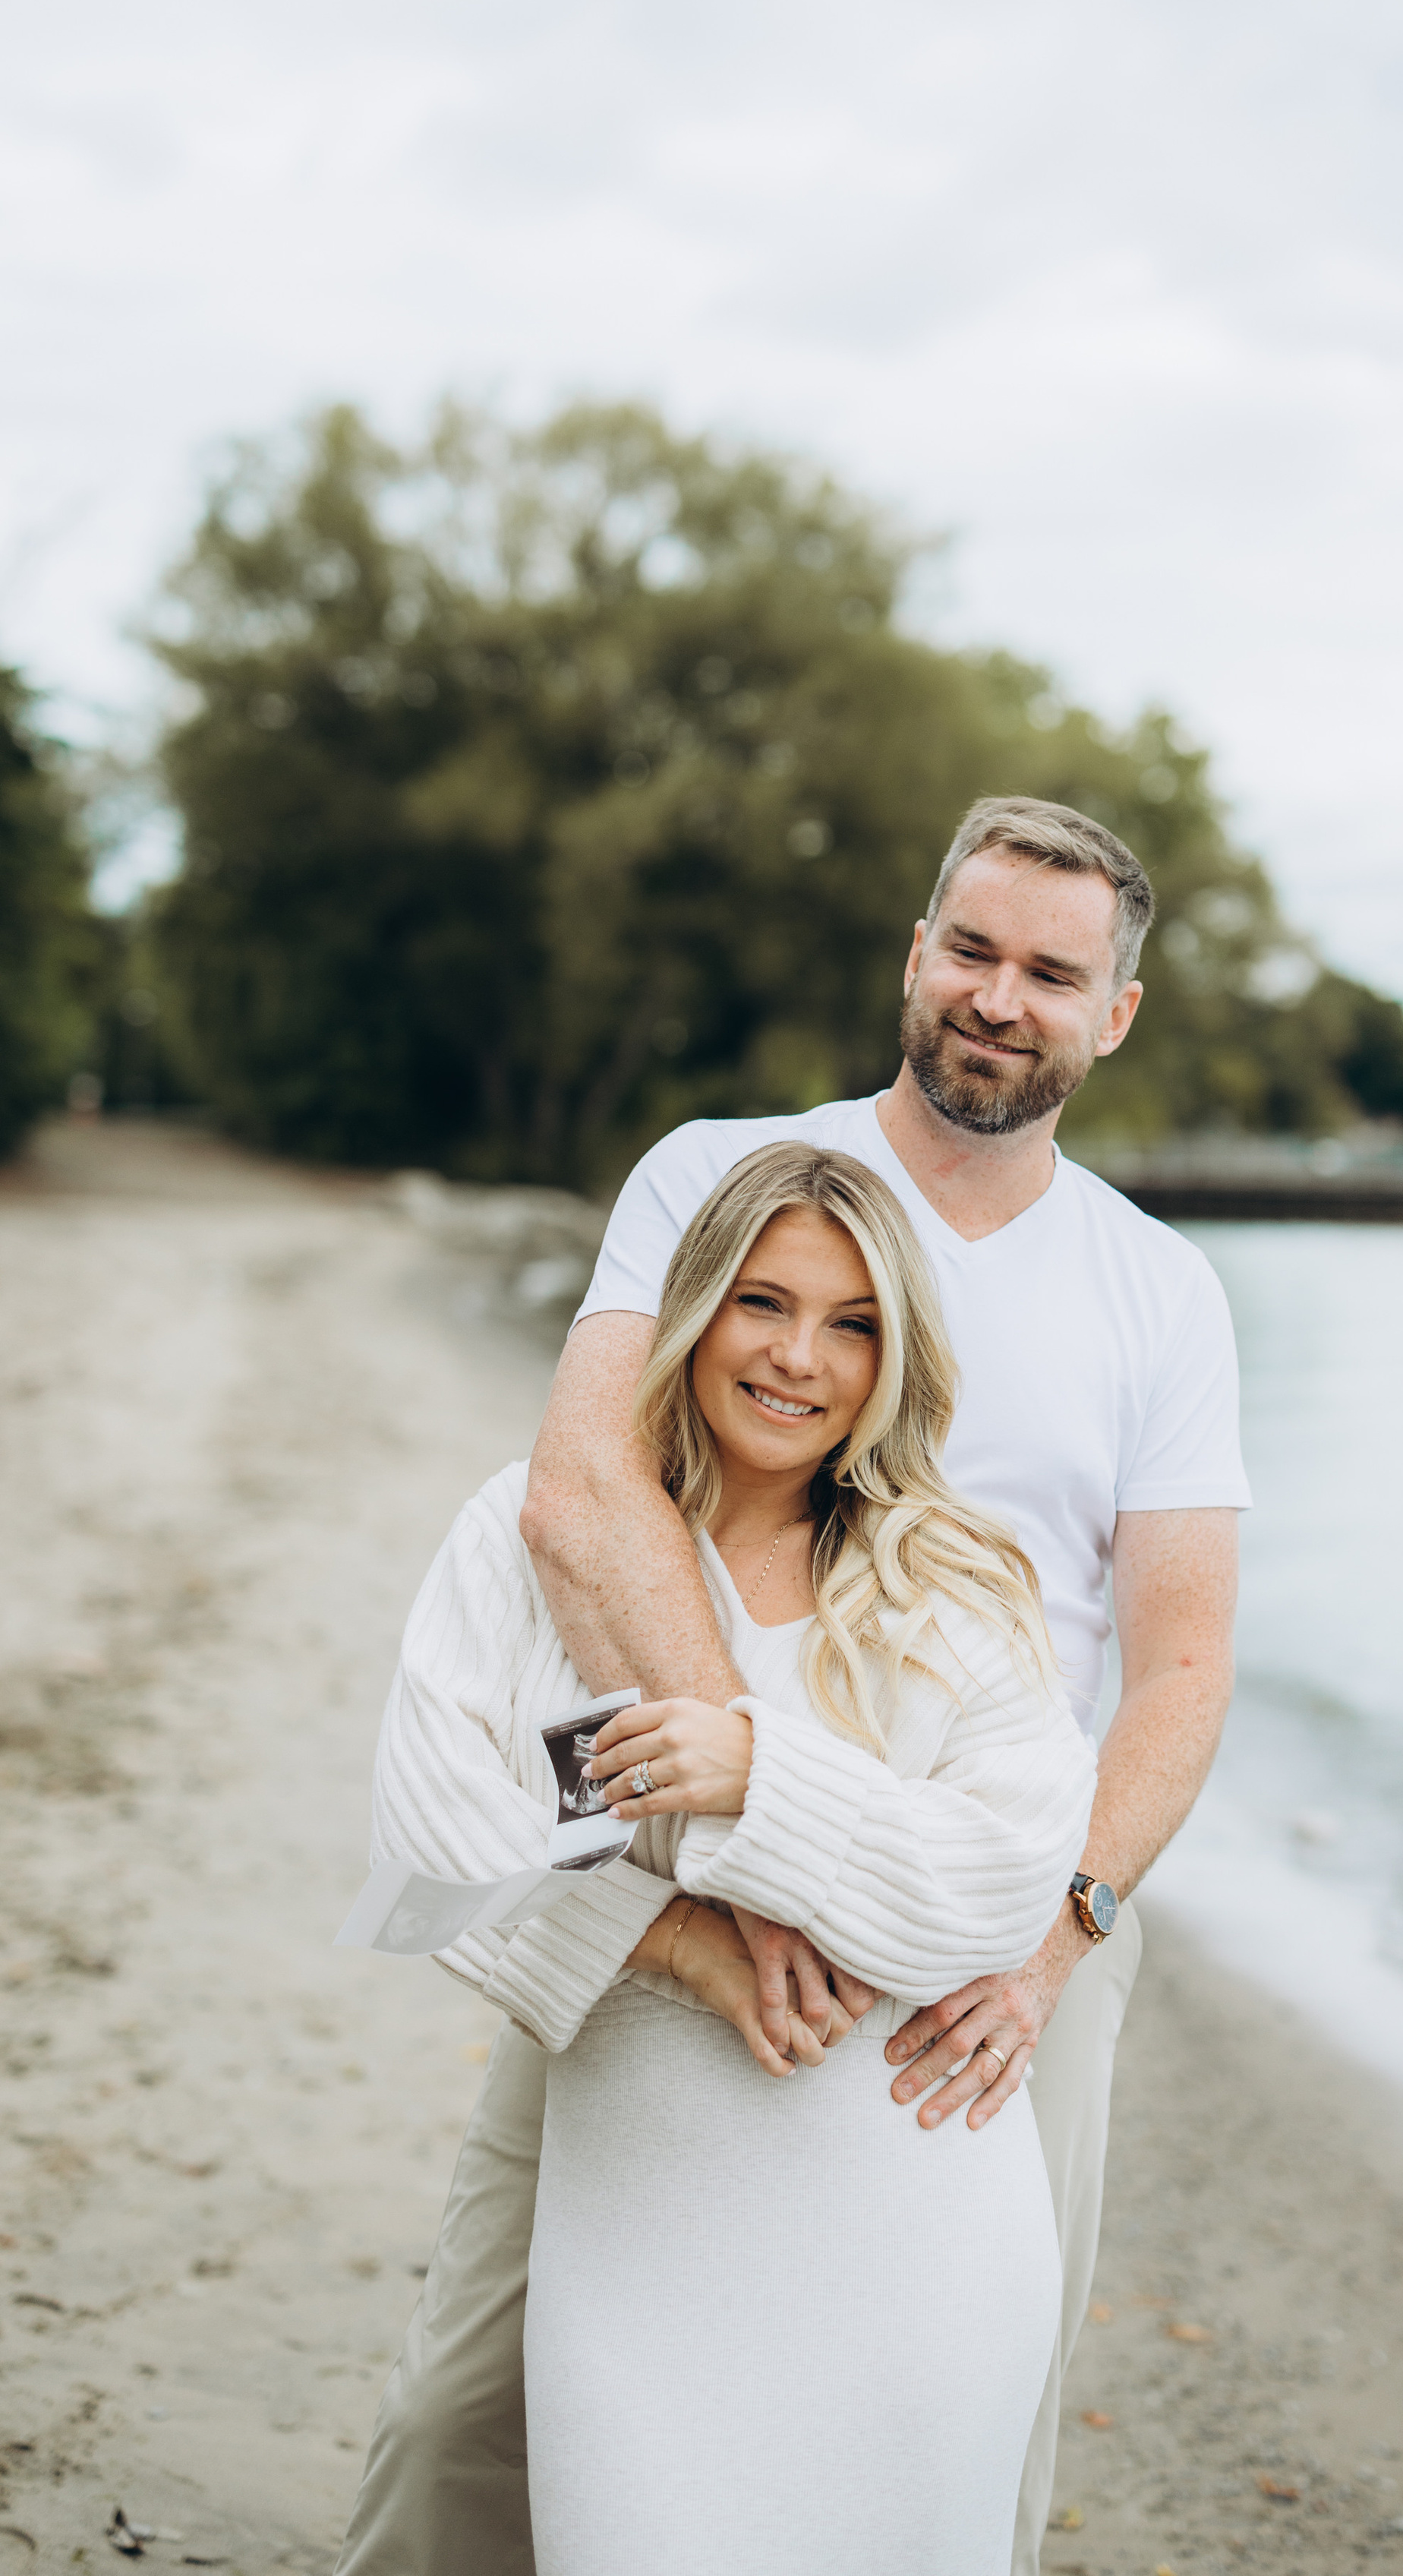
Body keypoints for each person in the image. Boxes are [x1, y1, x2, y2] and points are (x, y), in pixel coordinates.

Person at [336, 794, 1249, 2576]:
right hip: (657, 1858)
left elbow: (1183, 1659)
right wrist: (734, 1860)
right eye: (971, 949)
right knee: (482, 2399)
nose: (1000, 997)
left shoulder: (1160, 1290)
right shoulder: (716, 1174)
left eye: (1051, 974)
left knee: (960, 2400)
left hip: (1001, 1907)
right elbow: (584, 1494)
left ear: (1113, 1015)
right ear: (915, 953)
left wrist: (1059, 1929)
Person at [366, 1143, 1097, 2576]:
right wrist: (677, 1937)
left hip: (914, 2222)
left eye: (853, 1323)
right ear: (692, 1308)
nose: (798, 1358)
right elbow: (438, 1824)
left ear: (898, 1358)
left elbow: (1003, 1876)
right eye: (763, 1303)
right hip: (638, 2230)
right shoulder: (539, 1539)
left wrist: (767, 1775)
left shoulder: (951, 1574)